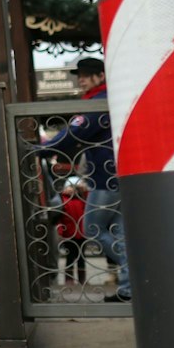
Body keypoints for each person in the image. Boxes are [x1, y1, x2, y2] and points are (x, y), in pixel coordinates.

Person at [38, 56, 124, 301]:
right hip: (113, 175)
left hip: (104, 178)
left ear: (100, 77)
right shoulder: (102, 99)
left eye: (87, 74)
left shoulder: (97, 103)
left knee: (92, 228)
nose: (82, 79)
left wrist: (41, 148)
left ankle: (134, 268)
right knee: (117, 231)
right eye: (80, 75)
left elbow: (74, 132)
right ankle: (129, 288)